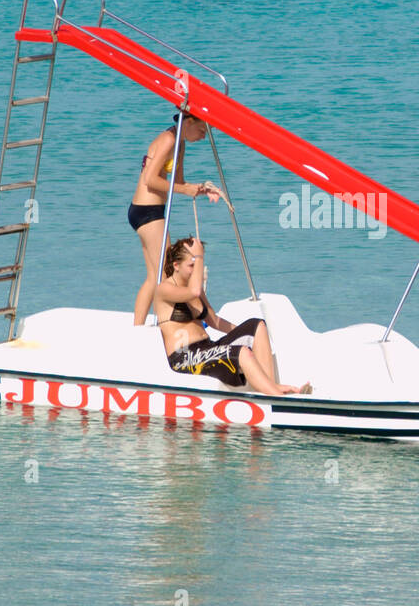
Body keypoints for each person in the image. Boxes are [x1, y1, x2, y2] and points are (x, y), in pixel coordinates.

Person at [155, 236, 310, 395]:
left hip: (207, 347)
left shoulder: (195, 289)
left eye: (197, 265)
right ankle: (276, 396)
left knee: (257, 326)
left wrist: (243, 333)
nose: (196, 271)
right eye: (191, 266)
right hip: (185, 358)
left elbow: (214, 321)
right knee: (242, 352)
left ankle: (271, 386)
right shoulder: (164, 290)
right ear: (176, 266)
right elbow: (192, 291)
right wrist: (200, 256)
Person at [128, 114, 220, 326]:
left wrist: (199, 190)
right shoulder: (169, 140)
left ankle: (138, 327)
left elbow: (178, 182)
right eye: (202, 130)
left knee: (154, 276)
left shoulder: (179, 143)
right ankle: (170, 324)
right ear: (189, 122)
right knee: (168, 273)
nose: (203, 137)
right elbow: (150, 179)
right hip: (147, 211)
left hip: (147, 211)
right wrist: (184, 189)